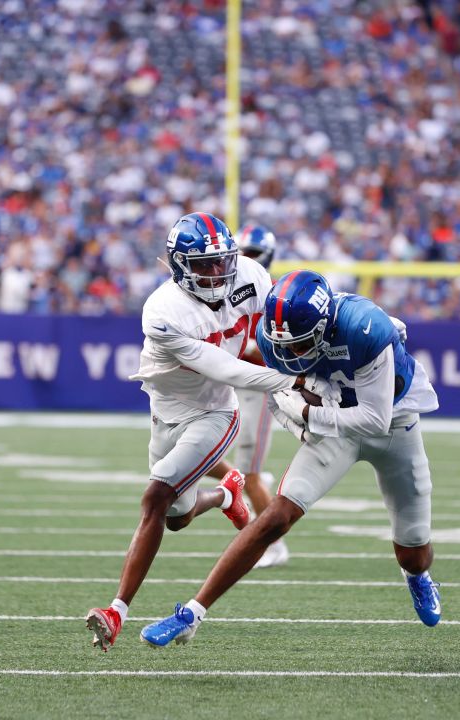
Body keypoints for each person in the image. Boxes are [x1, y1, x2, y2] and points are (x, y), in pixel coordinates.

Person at [140, 270, 443, 647]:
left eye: (301, 344)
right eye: (286, 343)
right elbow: (278, 398)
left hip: (394, 426)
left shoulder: (366, 329)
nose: (291, 353)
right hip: (335, 430)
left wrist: (309, 415)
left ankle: (417, 577)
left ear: (325, 326)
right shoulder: (275, 335)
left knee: (414, 554)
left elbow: (374, 419)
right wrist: (300, 425)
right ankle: (192, 613)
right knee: (275, 518)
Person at [85, 212, 304, 652]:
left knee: (154, 497)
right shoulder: (164, 312)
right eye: (203, 265)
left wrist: (303, 371)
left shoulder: (251, 276)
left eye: (221, 261)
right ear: (180, 266)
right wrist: (288, 380)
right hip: (166, 412)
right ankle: (226, 493)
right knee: (177, 517)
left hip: (214, 413)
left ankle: (116, 611)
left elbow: (274, 331)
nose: (217, 271)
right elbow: (222, 364)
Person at [230, 224, 290, 569]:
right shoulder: (229, 288)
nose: (245, 260)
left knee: (248, 475)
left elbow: (275, 352)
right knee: (212, 460)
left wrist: (245, 346)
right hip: (232, 388)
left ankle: (275, 544)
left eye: (251, 254)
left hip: (257, 389)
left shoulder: (272, 293)